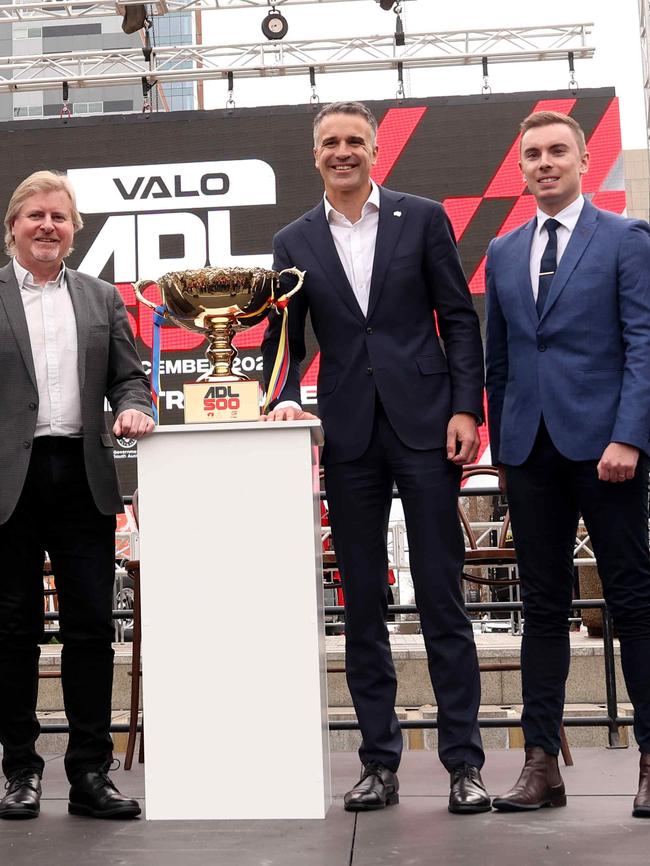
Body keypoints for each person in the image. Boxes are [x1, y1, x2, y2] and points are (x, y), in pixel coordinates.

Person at [261, 101, 490, 814]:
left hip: (426, 427)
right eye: (330, 142)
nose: (343, 151)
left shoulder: (421, 219)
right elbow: (282, 342)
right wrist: (282, 399)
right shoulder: (292, 239)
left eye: (355, 140)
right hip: (349, 437)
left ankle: (464, 766)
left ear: (375, 151)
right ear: (315, 155)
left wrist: (464, 408)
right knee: (363, 605)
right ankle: (378, 764)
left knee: (443, 600)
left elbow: (457, 316)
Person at [485, 110, 650, 817]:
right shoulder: (501, 251)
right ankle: (540, 764)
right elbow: (500, 358)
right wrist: (499, 438)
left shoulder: (626, 238)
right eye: (533, 155)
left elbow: (643, 342)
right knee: (543, 610)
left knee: (635, 603)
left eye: (558, 151)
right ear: (520, 169)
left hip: (609, 450)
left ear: (584, 159)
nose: (545, 163)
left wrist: (630, 436)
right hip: (528, 451)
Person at [0, 171, 154, 820]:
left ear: (74, 230)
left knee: (91, 629)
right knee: (11, 634)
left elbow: (131, 378)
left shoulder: (101, 298)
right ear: (12, 226)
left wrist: (135, 407)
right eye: (35, 215)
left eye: (59, 218)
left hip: (84, 477)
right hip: (9, 482)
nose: (47, 226)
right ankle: (21, 773)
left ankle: (90, 774)